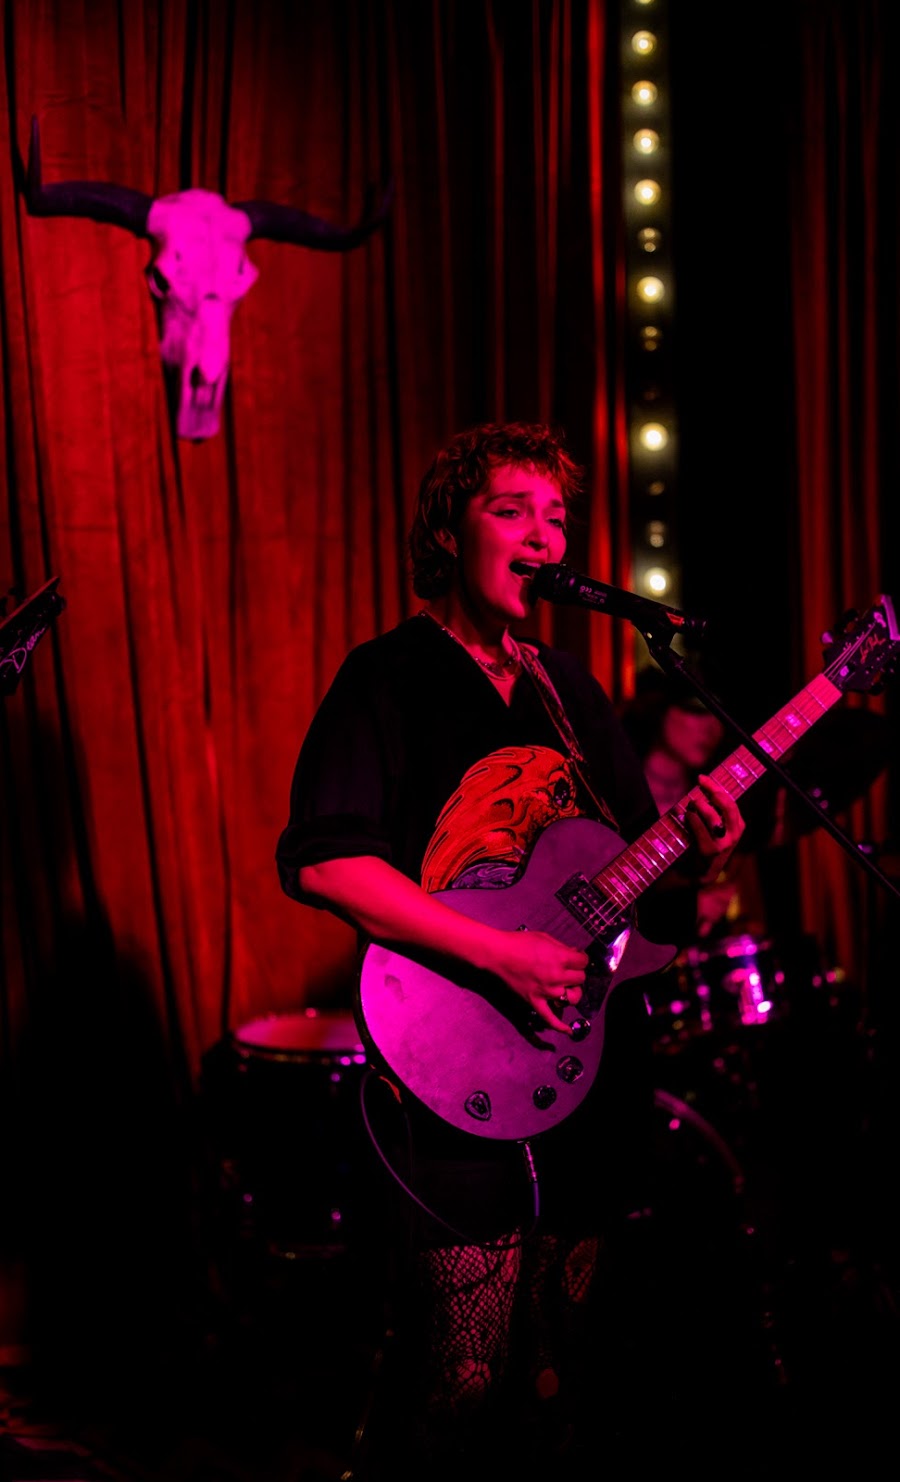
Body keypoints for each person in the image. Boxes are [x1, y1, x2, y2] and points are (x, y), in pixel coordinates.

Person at [275, 421, 745, 1480]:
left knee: (561, 1382)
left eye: (557, 517)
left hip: (584, 1072)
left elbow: (643, 899)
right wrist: (501, 955)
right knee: (462, 1383)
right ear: (450, 532)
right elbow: (327, 864)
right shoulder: (387, 678)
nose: (544, 535)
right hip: (456, 1069)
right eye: (512, 510)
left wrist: (702, 855)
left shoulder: (571, 692)